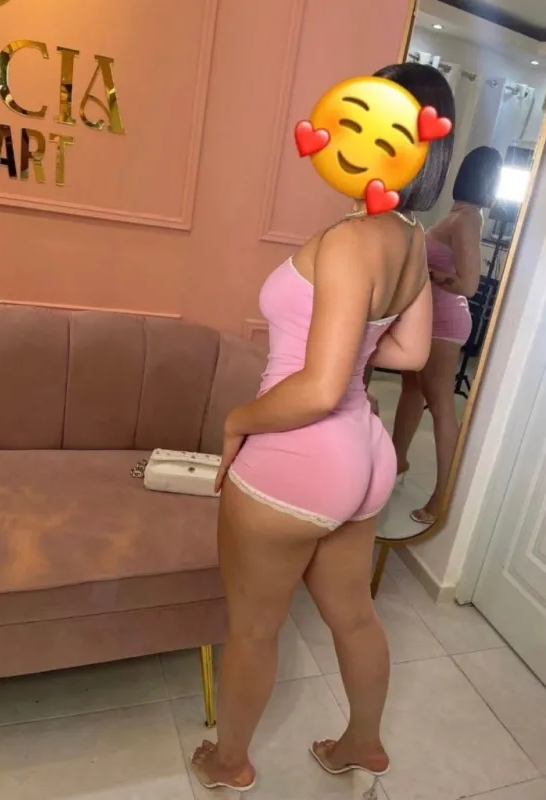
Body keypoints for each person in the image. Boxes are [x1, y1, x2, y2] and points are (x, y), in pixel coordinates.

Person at [191, 62, 455, 792]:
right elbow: (408, 352)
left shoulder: (350, 238)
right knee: (355, 615)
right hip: (363, 455)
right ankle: (361, 744)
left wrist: (237, 421)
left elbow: (315, 388)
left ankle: (229, 761)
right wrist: (347, 345)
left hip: (299, 455)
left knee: (252, 627)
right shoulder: (409, 237)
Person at [392, 146, 503, 525]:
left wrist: (428, 275)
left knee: (440, 405)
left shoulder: (468, 218)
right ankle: (398, 460)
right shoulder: (459, 215)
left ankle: (442, 496)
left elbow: (468, 285)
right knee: (411, 389)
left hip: (444, 322)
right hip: (427, 318)